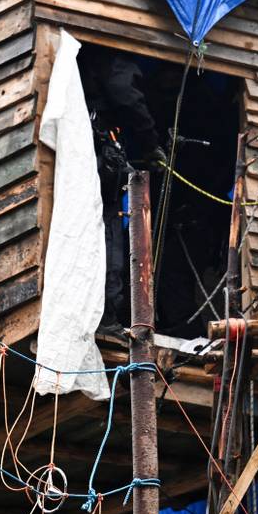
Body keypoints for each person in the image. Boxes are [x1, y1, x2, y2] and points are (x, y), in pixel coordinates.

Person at [78, 45, 165, 338]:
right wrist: (150, 143)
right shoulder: (111, 58)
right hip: (101, 153)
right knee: (110, 229)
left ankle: (95, 310)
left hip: (84, 152)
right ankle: (105, 315)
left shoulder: (81, 61)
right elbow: (128, 98)